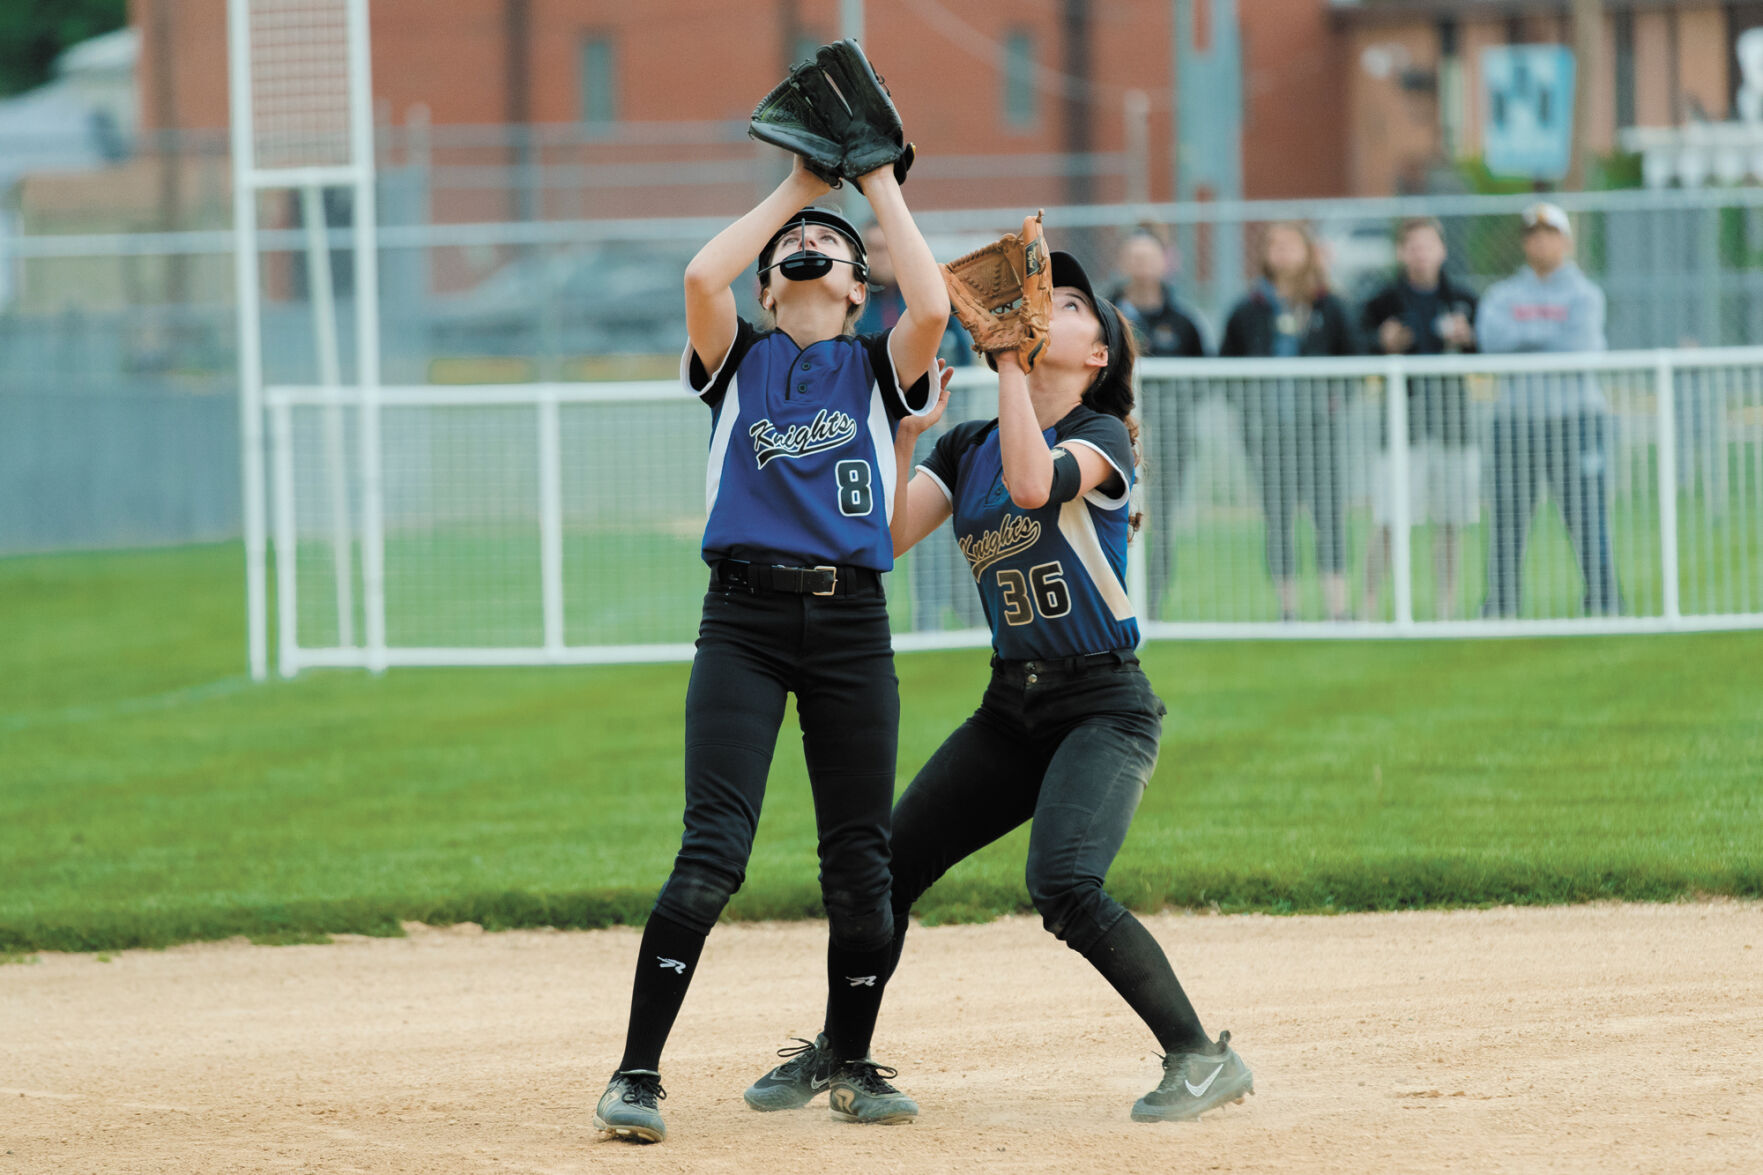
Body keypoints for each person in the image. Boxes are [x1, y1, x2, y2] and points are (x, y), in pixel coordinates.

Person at [741, 246, 1254, 1124]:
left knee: (1063, 883)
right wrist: (904, 433)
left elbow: (1031, 482)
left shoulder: (1099, 437)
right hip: (1009, 706)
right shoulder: (967, 441)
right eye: (1037, 296)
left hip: (1103, 705)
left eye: (1070, 305)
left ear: (1096, 355)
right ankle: (844, 1049)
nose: (1045, 306)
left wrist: (1010, 363)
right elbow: (883, 538)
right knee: (884, 870)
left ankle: (1200, 1056)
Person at [592, 153, 950, 1143]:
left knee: (857, 864)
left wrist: (874, 184)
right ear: (768, 281)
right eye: (794, 247)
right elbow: (699, 280)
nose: (809, 248)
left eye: (831, 249)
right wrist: (800, 188)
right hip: (741, 622)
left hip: (849, 624)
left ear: (854, 285)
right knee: (712, 849)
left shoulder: (879, 366)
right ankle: (636, 1071)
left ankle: (850, 1056)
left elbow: (929, 304)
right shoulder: (738, 358)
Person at [1476, 202, 1621, 618]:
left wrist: (1524, 338)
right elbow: (1493, 341)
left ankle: (1605, 600)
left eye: (1549, 234)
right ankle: (1501, 605)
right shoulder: (1503, 294)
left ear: (1567, 241)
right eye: (1532, 235)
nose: (1540, 242)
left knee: (1586, 514)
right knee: (1507, 519)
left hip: (1574, 419)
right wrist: (1547, 336)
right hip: (1517, 422)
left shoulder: (1585, 294)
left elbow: (1579, 345)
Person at [1220, 221, 1360, 621]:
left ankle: (1338, 609)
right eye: (1274, 245)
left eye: (1290, 244)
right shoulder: (1248, 308)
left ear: (1307, 250)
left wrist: (1333, 406)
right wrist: (1248, 414)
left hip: (1318, 432)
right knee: (1278, 519)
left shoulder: (1328, 305)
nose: (1281, 252)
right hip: (1269, 434)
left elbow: (1354, 357)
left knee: (1328, 516)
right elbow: (1226, 368)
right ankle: (1288, 610)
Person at [856, 220, 985, 632]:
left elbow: (962, 367)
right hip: (871, 442)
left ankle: (943, 622)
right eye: (872, 248)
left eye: (887, 246)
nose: (881, 256)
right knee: (872, 530)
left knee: (935, 532)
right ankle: (869, 619)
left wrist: (943, 416)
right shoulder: (854, 305)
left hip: (932, 436)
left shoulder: (931, 304)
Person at [1358, 218, 1480, 620]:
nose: (1420, 253)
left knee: (1450, 520)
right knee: (1390, 519)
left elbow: (1485, 353)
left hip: (1452, 425)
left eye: (1427, 245)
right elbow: (1358, 348)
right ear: (1401, 251)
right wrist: (1383, 344)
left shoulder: (1463, 299)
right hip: (1401, 427)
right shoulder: (1382, 302)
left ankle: (1446, 605)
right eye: (1412, 245)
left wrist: (1469, 341)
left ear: (1442, 250)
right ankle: (1370, 604)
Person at [1106, 225, 1209, 621]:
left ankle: (1153, 606)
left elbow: (1204, 379)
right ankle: (1113, 602)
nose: (1142, 265)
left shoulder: (1183, 321)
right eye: (1135, 257)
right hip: (1114, 439)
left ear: (1164, 262)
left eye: (1149, 257)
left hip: (1171, 439)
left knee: (1160, 523)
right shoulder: (1105, 313)